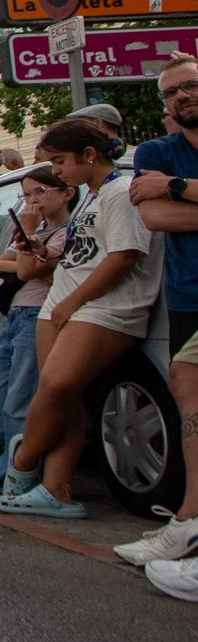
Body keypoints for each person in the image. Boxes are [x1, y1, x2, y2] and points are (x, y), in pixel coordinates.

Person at [1, 119, 162, 518]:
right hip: (63, 300)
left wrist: (73, 302)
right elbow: (86, 251)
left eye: (59, 161)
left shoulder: (120, 192)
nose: (55, 171)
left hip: (103, 306)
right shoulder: (92, 196)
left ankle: (21, 462)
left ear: (89, 155)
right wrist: (43, 250)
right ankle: (56, 488)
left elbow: (124, 255)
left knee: (57, 386)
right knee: (60, 397)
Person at [125, 55, 198, 590]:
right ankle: (189, 521)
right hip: (187, 293)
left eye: (190, 86)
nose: (182, 97)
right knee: (188, 394)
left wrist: (173, 188)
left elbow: (164, 203)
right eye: (172, 93)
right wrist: (173, 191)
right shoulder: (155, 151)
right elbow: (152, 218)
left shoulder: (164, 170)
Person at [0, 164, 70, 498]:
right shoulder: (36, 233)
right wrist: (31, 253)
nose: (32, 201)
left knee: (20, 397)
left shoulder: (67, 232)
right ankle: (14, 455)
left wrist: (27, 241)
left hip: (39, 313)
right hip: (14, 315)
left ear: (66, 193)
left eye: (40, 192)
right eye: (26, 194)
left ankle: (15, 470)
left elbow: (26, 270)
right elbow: (0, 265)